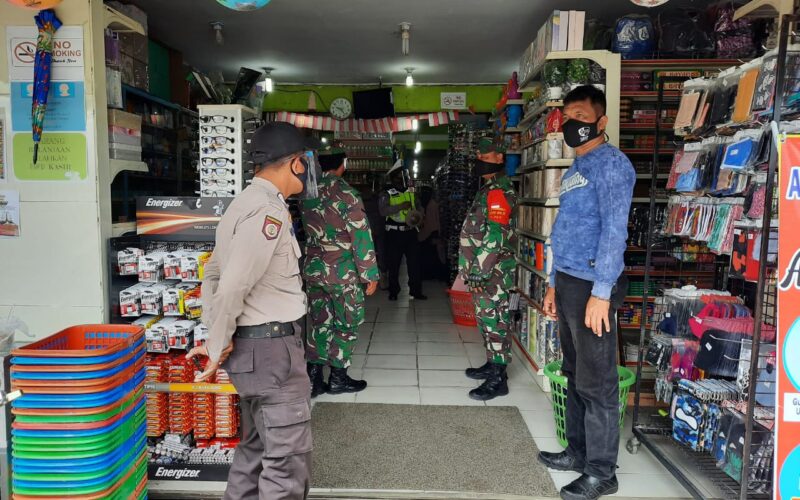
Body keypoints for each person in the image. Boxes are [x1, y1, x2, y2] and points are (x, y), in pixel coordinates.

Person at [189, 122, 320, 500]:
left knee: (255, 453)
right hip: (272, 354)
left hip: (254, 352)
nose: (308, 171)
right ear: (295, 163)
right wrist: (217, 345)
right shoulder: (267, 212)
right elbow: (232, 283)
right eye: (306, 162)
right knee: (285, 464)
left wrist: (220, 336)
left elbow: (213, 274)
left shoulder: (242, 204)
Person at [538, 85, 635, 500]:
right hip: (569, 281)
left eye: (580, 115)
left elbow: (614, 230)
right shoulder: (576, 167)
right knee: (575, 374)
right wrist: (552, 283)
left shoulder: (611, 164)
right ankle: (577, 452)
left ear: (601, 121)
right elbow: (564, 231)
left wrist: (602, 293)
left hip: (594, 285)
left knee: (598, 382)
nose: (571, 123)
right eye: (567, 117)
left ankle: (601, 472)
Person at [302, 146, 379, 397]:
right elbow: (361, 236)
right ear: (343, 164)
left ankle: (313, 380)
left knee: (319, 323)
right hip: (342, 272)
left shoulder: (307, 192)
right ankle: (338, 379)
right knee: (347, 323)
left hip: (314, 269)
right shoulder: (347, 194)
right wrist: (370, 274)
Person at [458, 141, 517, 401]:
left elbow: (495, 234)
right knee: (486, 319)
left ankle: (498, 379)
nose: (480, 160)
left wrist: (480, 271)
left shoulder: (498, 191)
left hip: (492, 273)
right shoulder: (488, 188)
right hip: (484, 271)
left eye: (486, 156)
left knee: (495, 320)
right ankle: (493, 364)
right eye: (478, 156)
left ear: (500, 157)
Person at [378, 163, 427, 301]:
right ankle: (393, 291)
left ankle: (416, 291)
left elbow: (419, 206)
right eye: (400, 176)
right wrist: (400, 207)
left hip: (411, 231)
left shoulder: (411, 191)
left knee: (415, 263)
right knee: (393, 264)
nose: (403, 179)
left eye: (404, 176)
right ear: (393, 177)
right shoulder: (386, 192)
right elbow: (383, 211)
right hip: (394, 233)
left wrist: (420, 216)